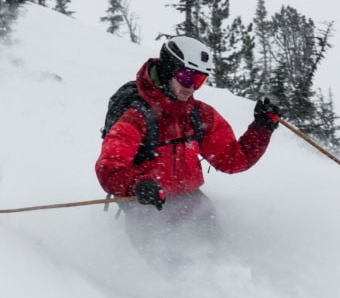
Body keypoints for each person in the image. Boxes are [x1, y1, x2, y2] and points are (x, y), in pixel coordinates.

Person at [95, 36, 280, 260]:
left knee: (217, 253)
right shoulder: (136, 117)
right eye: (186, 76)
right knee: (168, 260)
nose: (190, 86)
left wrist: (262, 128)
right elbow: (109, 167)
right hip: (146, 202)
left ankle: (232, 287)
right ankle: (164, 292)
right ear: (168, 71)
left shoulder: (198, 115)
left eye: (199, 79)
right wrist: (138, 185)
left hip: (189, 199)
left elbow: (233, 159)